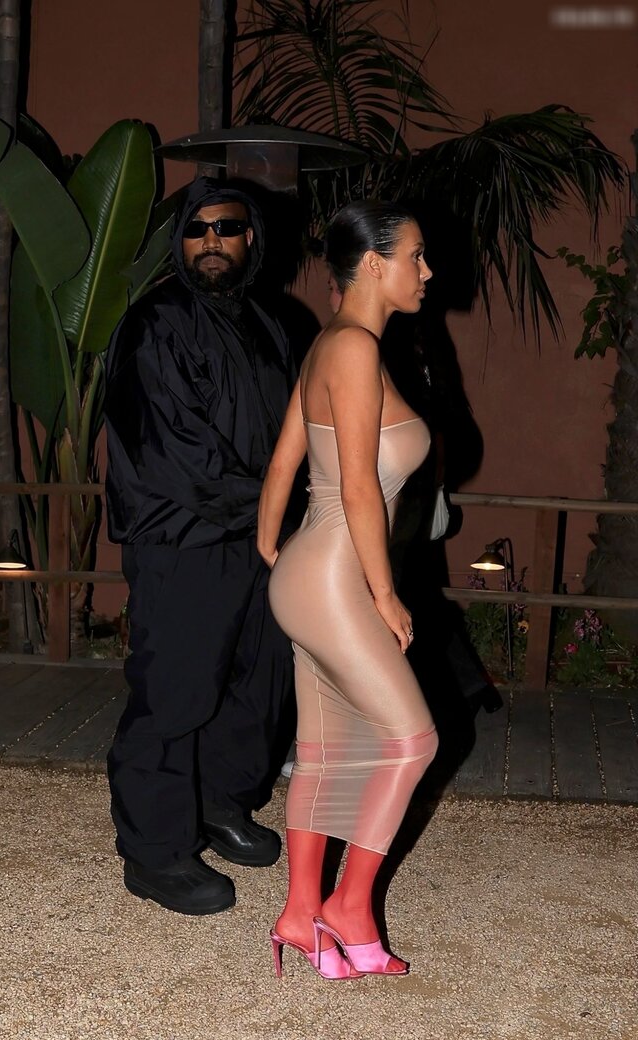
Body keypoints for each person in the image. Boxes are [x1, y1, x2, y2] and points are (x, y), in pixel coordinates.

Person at [104, 177, 296, 917]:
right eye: (198, 229)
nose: (212, 241)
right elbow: (174, 453)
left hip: (261, 541)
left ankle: (218, 802)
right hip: (182, 541)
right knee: (176, 692)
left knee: (258, 683)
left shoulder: (271, 323)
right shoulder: (155, 324)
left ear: (251, 239)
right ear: (180, 242)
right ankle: (155, 851)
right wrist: (272, 504)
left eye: (228, 227)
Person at [257, 200, 439, 979]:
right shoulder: (356, 348)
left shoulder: (329, 343)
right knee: (413, 741)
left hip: (310, 569)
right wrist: (384, 594)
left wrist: (275, 549)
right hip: (335, 575)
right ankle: (349, 906)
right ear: (373, 263)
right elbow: (360, 488)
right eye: (415, 256)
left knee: (324, 754)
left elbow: (283, 463)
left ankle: (301, 915)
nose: (427, 271)